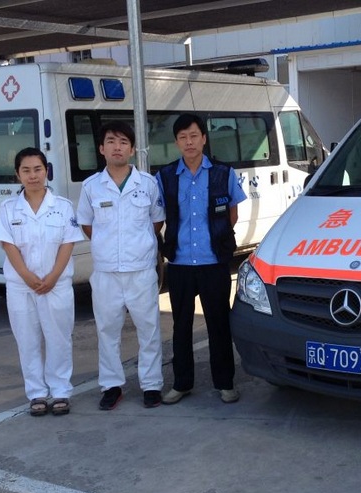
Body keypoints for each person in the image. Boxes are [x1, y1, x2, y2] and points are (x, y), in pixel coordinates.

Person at [157, 113, 247, 405]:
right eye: (182, 137)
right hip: (180, 263)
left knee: (219, 324)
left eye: (194, 136)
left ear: (204, 138)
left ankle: (225, 383)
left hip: (214, 263)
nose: (189, 142)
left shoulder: (223, 173)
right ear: (176, 142)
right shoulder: (165, 176)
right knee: (180, 326)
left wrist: (217, 237)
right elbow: (159, 216)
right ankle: (182, 383)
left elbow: (232, 213)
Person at [76, 120, 165, 410]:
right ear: (101, 148)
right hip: (106, 273)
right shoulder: (91, 187)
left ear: (133, 149)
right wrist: (108, 246)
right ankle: (112, 386)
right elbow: (87, 224)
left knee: (149, 330)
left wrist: (136, 246)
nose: (117, 147)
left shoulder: (148, 184)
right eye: (111, 141)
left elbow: (156, 222)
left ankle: (151, 385)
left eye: (124, 142)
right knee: (107, 332)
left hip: (140, 271)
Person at [0, 147, 84, 416]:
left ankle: (60, 391)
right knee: (27, 341)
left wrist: (53, 276)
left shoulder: (62, 207)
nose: (32, 175)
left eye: (37, 169)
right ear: (17, 174)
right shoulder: (8, 208)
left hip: (56, 285)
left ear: (46, 171)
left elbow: (68, 243)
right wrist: (27, 276)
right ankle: (36, 393)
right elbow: (8, 245)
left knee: (59, 339)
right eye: (26, 170)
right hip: (21, 287)